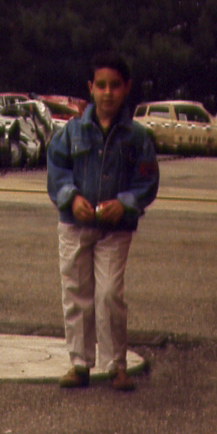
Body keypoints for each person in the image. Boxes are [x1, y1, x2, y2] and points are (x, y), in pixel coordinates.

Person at [46, 51, 159, 391]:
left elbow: (147, 182)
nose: (108, 93)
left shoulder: (137, 137)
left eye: (115, 86)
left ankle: (116, 365)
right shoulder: (71, 132)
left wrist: (125, 204)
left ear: (127, 88)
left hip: (115, 230)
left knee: (109, 294)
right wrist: (71, 197)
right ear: (90, 88)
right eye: (101, 85)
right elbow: (56, 170)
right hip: (74, 225)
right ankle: (79, 364)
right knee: (76, 292)